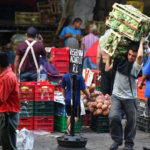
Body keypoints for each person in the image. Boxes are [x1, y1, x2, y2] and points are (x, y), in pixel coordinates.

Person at [105, 38, 145, 150]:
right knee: (113, 116)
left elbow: (140, 56)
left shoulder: (136, 66)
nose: (130, 57)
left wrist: (141, 42)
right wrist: (109, 56)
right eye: (129, 54)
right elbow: (107, 68)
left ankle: (128, 144)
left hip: (130, 97)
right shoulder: (120, 61)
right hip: (116, 95)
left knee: (131, 121)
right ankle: (117, 140)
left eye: (133, 56)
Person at [0, 52, 20, 150]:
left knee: (9, 146)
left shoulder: (6, 77)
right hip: (7, 114)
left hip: (8, 115)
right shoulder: (8, 75)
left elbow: (1, 99)